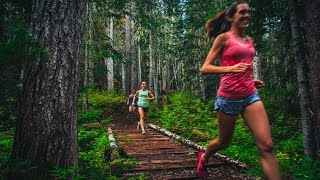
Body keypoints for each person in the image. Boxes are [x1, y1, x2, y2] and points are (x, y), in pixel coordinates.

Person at [197, 1, 281, 179]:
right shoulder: (224, 38)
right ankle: (205, 156)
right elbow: (205, 68)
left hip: (250, 95)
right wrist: (231, 69)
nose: (247, 15)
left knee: (267, 146)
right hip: (228, 97)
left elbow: (245, 67)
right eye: (242, 12)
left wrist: (251, 80)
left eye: (248, 12)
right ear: (231, 17)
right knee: (223, 142)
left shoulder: (249, 40)